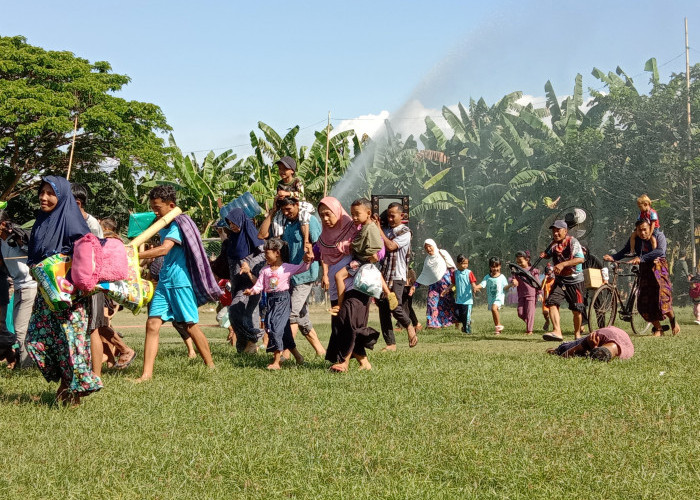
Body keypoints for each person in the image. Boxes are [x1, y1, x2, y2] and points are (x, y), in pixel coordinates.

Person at [25, 176, 103, 405]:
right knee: (37, 341)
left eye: (50, 193)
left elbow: (87, 254)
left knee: (70, 344)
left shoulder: (72, 221)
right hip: (45, 294)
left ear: (62, 197)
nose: (43, 197)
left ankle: (72, 391)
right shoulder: (41, 221)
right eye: (42, 192)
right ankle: (65, 383)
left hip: (68, 297)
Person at [136, 185, 219, 382]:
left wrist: (133, 254)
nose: (155, 212)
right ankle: (146, 375)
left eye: (158, 208)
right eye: (153, 208)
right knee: (152, 324)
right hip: (164, 282)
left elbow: (164, 250)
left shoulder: (178, 226)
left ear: (171, 205)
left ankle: (211, 366)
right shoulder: (163, 226)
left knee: (190, 325)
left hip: (181, 283)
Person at [317, 197, 379, 372]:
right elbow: (319, 255)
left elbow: (377, 251)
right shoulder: (323, 237)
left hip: (357, 284)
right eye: (321, 216)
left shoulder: (356, 228)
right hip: (338, 288)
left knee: (350, 322)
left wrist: (371, 256)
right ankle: (363, 362)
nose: (325, 219)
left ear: (337, 211)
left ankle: (343, 362)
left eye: (328, 214)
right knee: (342, 324)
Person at [258, 196, 326, 356]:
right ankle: (320, 350)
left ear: (297, 205)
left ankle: (287, 354)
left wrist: (326, 274)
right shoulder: (283, 223)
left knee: (290, 315)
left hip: (306, 275)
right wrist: (273, 212)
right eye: (283, 210)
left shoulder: (310, 221)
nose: (286, 213)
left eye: (289, 209)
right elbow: (262, 235)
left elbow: (320, 246)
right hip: (289, 277)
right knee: (301, 316)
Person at [244, 238, 312, 369]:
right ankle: (298, 357)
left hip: (283, 301)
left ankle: (276, 361)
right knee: (283, 330)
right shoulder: (265, 271)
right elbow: (259, 286)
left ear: (277, 253)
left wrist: (307, 259)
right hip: (271, 301)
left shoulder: (286, 268)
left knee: (275, 328)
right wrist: (251, 291)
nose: (265, 256)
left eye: (267, 253)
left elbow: (303, 268)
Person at [604, 218, 679, 336]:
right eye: (639, 230)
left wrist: (641, 258)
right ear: (636, 230)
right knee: (644, 302)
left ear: (650, 228)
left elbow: (660, 251)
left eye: (645, 230)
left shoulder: (659, 236)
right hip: (644, 270)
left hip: (658, 269)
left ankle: (673, 321)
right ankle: (658, 328)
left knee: (662, 299)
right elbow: (626, 250)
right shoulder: (635, 239)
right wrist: (613, 257)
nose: (642, 233)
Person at [71, 182, 110, 378]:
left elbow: (98, 254)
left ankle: (96, 374)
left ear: (77, 203)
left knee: (93, 327)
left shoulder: (91, 224)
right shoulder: (67, 221)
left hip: (92, 283)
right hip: (74, 283)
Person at [332, 198, 397, 314]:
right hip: (366, 260)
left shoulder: (368, 229)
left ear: (368, 213)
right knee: (375, 272)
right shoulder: (368, 227)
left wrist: (350, 246)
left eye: (357, 214)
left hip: (360, 260)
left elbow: (367, 244)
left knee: (338, 276)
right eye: (352, 214)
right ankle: (388, 292)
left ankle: (339, 304)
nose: (354, 217)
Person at [376, 203, 417, 350]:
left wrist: (379, 230)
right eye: (388, 215)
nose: (390, 218)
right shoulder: (385, 229)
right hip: (383, 274)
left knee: (394, 305)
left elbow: (391, 246)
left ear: (402, 216)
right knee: (383, 308)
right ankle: (390, 344)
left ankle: (409, 326)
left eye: (393, 215)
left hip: (397, 275)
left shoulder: (405, 232)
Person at [225, 207, 266, 354]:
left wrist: (249, 268)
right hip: (237, 283)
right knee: (245, 314)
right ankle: (245, 349)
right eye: (229, 223)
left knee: (236, 311)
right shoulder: (234, 240)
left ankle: (255, 337)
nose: (232, 226)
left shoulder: (255, 242)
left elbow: (263, 257)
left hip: (251, 284)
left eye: (234, 222)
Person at [97, 217, 136, 370]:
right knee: (98, 327)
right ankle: (111, 360)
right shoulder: (119, 243)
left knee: (99, 325)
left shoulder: (107, 243)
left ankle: (125, 350)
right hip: (113, 290)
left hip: (104, 288)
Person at [0, 209, 37, 369]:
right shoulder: (1, 243)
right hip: (17, 287)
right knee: (19, 327)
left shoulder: (16, 238)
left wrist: (20, 239)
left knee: (21, 329)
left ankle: (26, 366)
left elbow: (34, 253)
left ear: (2, 224)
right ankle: (23, 362)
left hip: (29, 286)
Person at [539, 220, 586, 341]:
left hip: (575, 281)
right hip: (560, 280)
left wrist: (563, 264)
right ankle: (557, 331)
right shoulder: (553, 244)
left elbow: (580, 259)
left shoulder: (573, 242)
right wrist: (545, 254)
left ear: (565, 231)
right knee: (552, 302)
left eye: (558, 230)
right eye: (553, 231)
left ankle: (577, 335)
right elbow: (548, 254)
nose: (555, 233)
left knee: (577, 309)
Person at [409, 239, 457, 329]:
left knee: (446, 304)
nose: (428, 248)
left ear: (434, 245)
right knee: (431, 303)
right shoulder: (427, 260)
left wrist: (454, 282)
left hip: (445, 284)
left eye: (429, 246)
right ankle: (432, 324)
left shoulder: (442, 253)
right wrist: (415, 286)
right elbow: (424, 274)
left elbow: (451, 267)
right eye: (426, 247)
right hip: (434, 285)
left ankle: (447, 323)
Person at [271, 156, 313, 250]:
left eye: (285, 169)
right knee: (277, 220)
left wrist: (287, 193)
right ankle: (278, 245)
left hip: (300, 205)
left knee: (303, 216)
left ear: (292, 171)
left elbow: (302, 195)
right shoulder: (279, 184)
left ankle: (306, 241)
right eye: (280, 169)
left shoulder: (297, 181)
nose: (281, 171)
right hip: (285, 207)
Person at [474, 257, 516, 334]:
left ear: (500, 266)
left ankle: (499, 324)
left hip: (499, 297)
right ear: (490, 267)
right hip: (491, 298)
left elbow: (505, 287)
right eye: (493, 267)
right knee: (493, 312)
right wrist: (476, 287)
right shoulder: (487, 277)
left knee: (494, 309)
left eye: (497, 266)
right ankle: (498, 330)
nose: (495, 268)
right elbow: (483, 284)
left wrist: (510, 285)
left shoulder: (502, 277)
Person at [546, 326, 634, 361]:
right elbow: (567, 354)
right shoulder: (596, 337)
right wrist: (593, 346)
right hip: (607, 333)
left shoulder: (626, 353)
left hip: (616, 331)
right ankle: (557, 350)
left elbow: (598, 355)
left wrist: (594, 347)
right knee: (564, 348)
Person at [511, 251, 539, 335]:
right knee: (520, 313)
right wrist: (514, 281)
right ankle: (529, 322)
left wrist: (540, 293)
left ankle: (529, 330)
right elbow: (514, 280)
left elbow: (537, 283)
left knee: (530, 312)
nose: (519, 264)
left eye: (521, 262)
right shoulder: (516, 271)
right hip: (521, 294)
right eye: (517, 262)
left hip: (531, 294)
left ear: (527, 260)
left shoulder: (533, 271)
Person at [453, 254, 476, 334]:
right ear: (458, 264)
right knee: (458, 315)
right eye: (463, 263)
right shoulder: (455, 273)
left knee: (466, 317)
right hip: (459, 299)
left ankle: (467, 330)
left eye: (467, 263)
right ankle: (467, 324)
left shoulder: (469, 272)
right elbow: (453, 284)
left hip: (467, 300)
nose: (465, 265)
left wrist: (474, 288)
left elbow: (473, 282)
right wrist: (446, 290)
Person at [540, 263, 555, 331]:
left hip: (554, 300)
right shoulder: (544, 281)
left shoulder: (555, 280)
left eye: (550, 271)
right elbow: (541, 289)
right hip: (546, 300)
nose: (549, 273)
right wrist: (540, 295)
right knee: (545, 313)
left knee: (554, 314)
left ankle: (555, 328)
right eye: (547, 271)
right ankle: (547, 321)